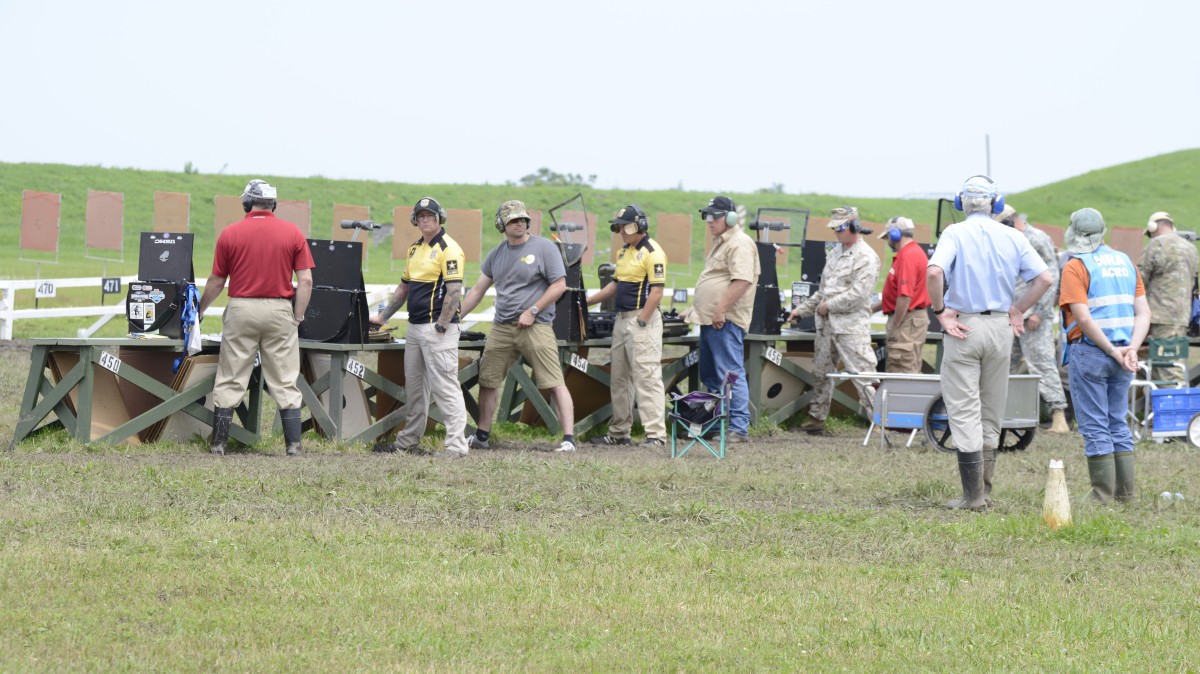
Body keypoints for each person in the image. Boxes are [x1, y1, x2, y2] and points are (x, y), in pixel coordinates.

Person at [927, 176, 1052, 511]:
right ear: (996, 203)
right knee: (991, 408)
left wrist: (940, 312)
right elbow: (1044, 278)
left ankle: (972, 496)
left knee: (964, 408)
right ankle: (985, 491)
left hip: (965, 326)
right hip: (1000, 326)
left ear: (961, 203)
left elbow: (935, 272)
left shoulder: (954, 233)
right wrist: (1018, 309)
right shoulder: (1013, 236)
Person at [198, 179, 314, 456]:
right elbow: (306, 281)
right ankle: (293, 446)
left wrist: (199, 310)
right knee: (284, 378)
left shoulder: (230, 233)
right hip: (279, 310)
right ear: (274, 204)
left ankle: (219, 443)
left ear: (247, 203)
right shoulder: (293, 232)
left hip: (241, 309)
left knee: (231, 375)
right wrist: (297, 317)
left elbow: (216, 281)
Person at [459, 199, 576, 452]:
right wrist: (455, 318)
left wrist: (533, 311)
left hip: (537, 325)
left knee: (554, 381)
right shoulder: (496, 254)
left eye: (523, 219)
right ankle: (482, 436)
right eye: (513, 220)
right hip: (502, 327)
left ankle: (569, 439)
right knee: (488, 380)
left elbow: (559, 285)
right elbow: (478, 290)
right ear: (501, 224)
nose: (519, 223)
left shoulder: (544, 248)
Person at [1060, 208, 1149, 503]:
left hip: (1091, 352)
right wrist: (1131, 348)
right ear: (1103, 232)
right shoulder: (1125, 261)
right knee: (1117, 421)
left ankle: (1102, 495)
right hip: (1124, 353)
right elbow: (1143, 312)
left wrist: (1111, 350)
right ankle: (1124, 494)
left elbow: (1083, 319)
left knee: (1095, 423)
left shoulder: (1076, 266)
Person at [369, 197, 470, 458]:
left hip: (437, 329)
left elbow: (454, 291)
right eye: (421, 216)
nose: (425, 220)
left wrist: (441, 326)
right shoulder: (414, 249)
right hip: (415, 328)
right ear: (415, 220)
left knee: (446, 389)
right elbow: (404, 288)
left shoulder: (449, 248)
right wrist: (382, 317)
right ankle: (408, 442)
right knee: (415, 390)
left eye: (430, 215)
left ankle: (457, 447)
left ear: (439, 218)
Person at [789, 206, 880, 433]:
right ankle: (816, 419)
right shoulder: (834, 253)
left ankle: (881, 423)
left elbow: (859, 294)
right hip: (827, 326)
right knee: (821, 373)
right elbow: (823, 292)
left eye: (840, 228)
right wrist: (801, 311)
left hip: (851, 328)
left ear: (854, 227)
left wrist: (829, 306)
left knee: (864, 375)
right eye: (834, 228)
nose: (836, 232)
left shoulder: (866, 257)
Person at [585, 204, 668, 447]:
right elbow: (615, 285)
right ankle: (619, 432)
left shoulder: (653, 252)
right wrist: (587, 302)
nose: (621, 231)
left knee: (647, 377)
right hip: (622, 319)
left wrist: (642, 320)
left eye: (625, 226)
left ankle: (656, 435)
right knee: (619, 379)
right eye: (619, 227)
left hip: (642, 319)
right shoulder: (624, 252)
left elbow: (657, 292)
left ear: (639, 225)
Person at [683, 195, 760, 443]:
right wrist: (696, 309)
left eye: (714, 216)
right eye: (707, 215)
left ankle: (738, 427)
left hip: (725, 320)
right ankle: (715, 425)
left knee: (730, 374)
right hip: (713, 319)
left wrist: (720, 309)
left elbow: (742, 280)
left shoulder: (740, 243)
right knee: (713, 376)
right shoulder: (722, 242)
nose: (709, 220)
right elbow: (717, 280)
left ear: (730, 218)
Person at [998, 206, 1071, 434]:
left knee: (1041, 363)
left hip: (1033, 317)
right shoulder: (1010, 240)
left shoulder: (1037, 239)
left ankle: (1059, 416)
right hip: (1012, 314)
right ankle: (1004, 412)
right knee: (1004, 364)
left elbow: (1051, 277)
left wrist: (1039, 311)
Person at [1138, 211, 1199, 384]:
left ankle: (1176, 400)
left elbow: (1139, 281)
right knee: (1165, 363)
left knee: (1168, 370)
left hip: (1160, 317)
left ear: (1153, 228)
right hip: (1183, 317)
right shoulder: (1191, 249)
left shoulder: (1156, 245)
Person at [870, 216, 930, 374]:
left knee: (901, 370)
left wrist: (895, 326)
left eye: (887, 237)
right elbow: (898, 295)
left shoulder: (907, 257)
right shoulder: (911, 253)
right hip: (909, 319)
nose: (887, 241)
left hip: (905, 321)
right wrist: (872, 309)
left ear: (895, 235)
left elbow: (904, 297)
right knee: (907, 367)